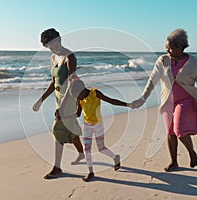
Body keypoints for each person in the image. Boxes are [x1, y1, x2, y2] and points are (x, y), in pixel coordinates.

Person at [131, 28, 197, 172]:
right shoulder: (162, 61)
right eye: (166, 48)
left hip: (186, 101)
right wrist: (143, 98)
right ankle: (174, 162)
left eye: (171, 49)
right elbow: (152, 80)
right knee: (170, 132)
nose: (168, 52)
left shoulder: (194, 64)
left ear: (180, 48)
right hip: (167, 101)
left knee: (179, 129)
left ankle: (191, 152)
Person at [33, 28, 84, 179]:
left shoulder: (70, 57)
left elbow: (71, 83)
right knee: (70, 128)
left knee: (57, 130)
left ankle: (57, 167)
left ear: (59, 39)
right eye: (48, 46)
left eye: (53, 44)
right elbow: (53, 82)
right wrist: (41, 99)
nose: (52, 48)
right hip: (58, 98)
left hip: (69, 98)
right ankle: (82, 153)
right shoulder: (53, 58)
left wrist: (62, 107)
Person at [56, 79, 131, 182]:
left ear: (82, 90)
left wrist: (128, 104)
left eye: (77, 96)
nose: (77, 98)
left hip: (98, 125)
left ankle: (115, 157)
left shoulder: (95, 93)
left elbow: (111, 101)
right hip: (87, 125)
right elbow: (77, 114)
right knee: (86, 149)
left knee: (101, 148)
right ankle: (91, 172)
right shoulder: (80, 99)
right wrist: (64, 117)